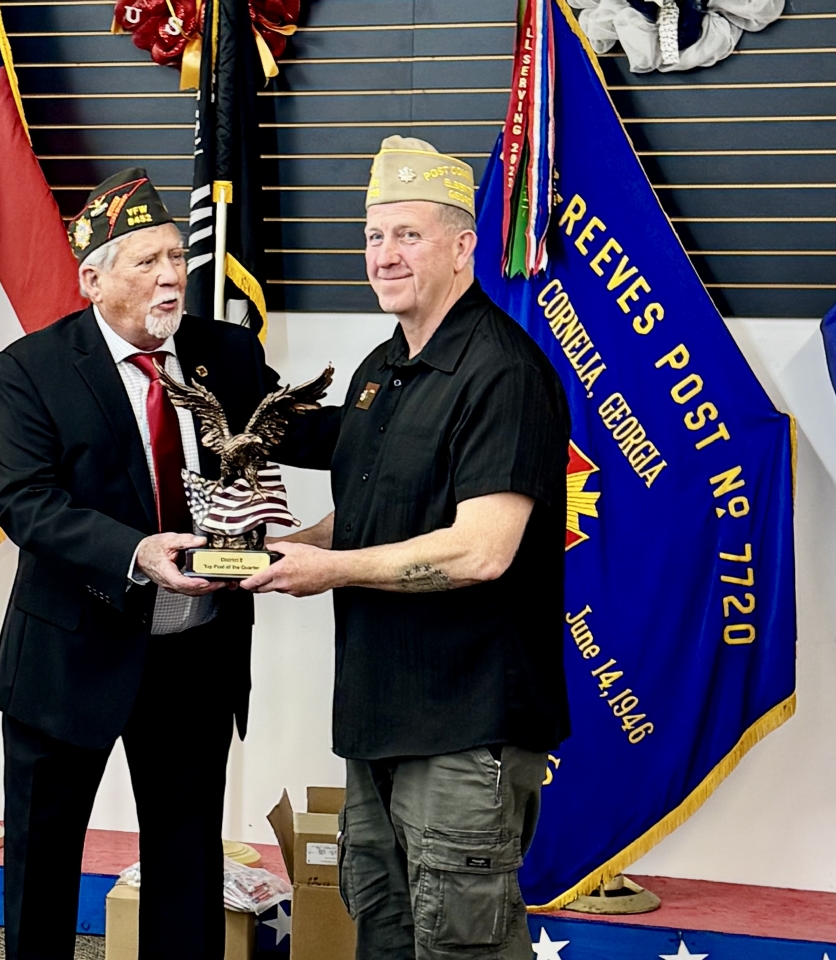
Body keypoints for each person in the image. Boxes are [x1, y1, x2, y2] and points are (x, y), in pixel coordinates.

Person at [0, 168, 333, 960]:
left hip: (195, 652)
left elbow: (303, 431)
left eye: (177, 256)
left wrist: (420, 422)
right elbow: (25, 503)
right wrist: (135, 551)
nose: (172, 276)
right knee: (42, 868)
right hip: (69, 655)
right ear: (93, 280)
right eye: (147, 262)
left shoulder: (226, 352)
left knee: (187, 868)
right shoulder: (32, 368)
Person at [241, 136, 572, 959]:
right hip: (377, 719)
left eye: (408, 235)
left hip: (464, 727)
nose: (384, 255)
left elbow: (481, 550)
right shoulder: (379, 369)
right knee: (384, 936)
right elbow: (371, 515)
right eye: (373, 236)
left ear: (463, 246)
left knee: (462, 946)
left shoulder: (502, 372)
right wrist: (277, 551)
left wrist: (329, 570)